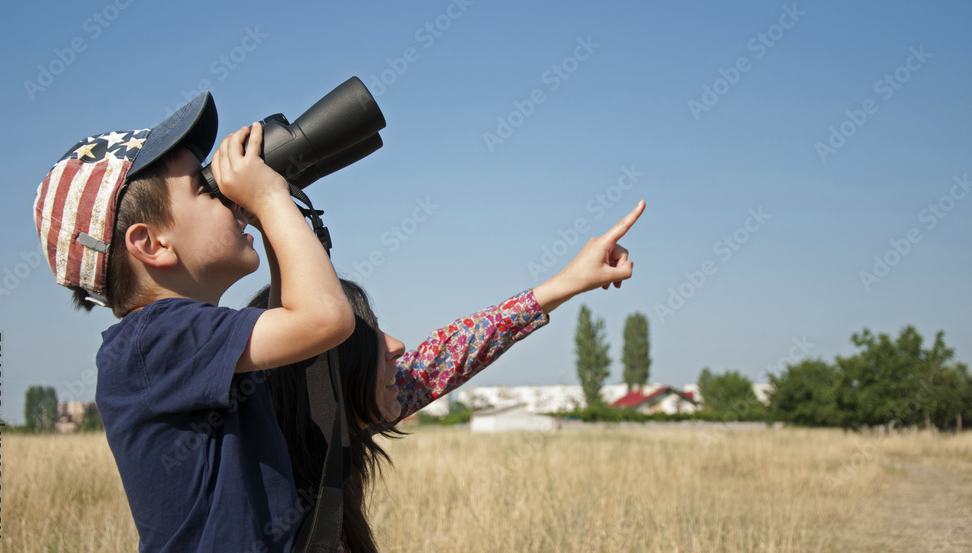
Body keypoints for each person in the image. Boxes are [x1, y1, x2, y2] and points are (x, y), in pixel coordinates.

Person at [32, 92, 355, 552]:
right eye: (205, 188)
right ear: (152, 244)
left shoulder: (174, 339)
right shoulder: (153, 340)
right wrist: (267, 199)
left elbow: (292, 323)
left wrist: (269, 210)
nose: (229, 198)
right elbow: (324, 318)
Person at [260, 201, 646, 552]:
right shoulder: (258, 479)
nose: (397, 345)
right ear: (324, 375)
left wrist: (567, 283)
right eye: (370, 337)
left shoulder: (334, 433)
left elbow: (450, 354)